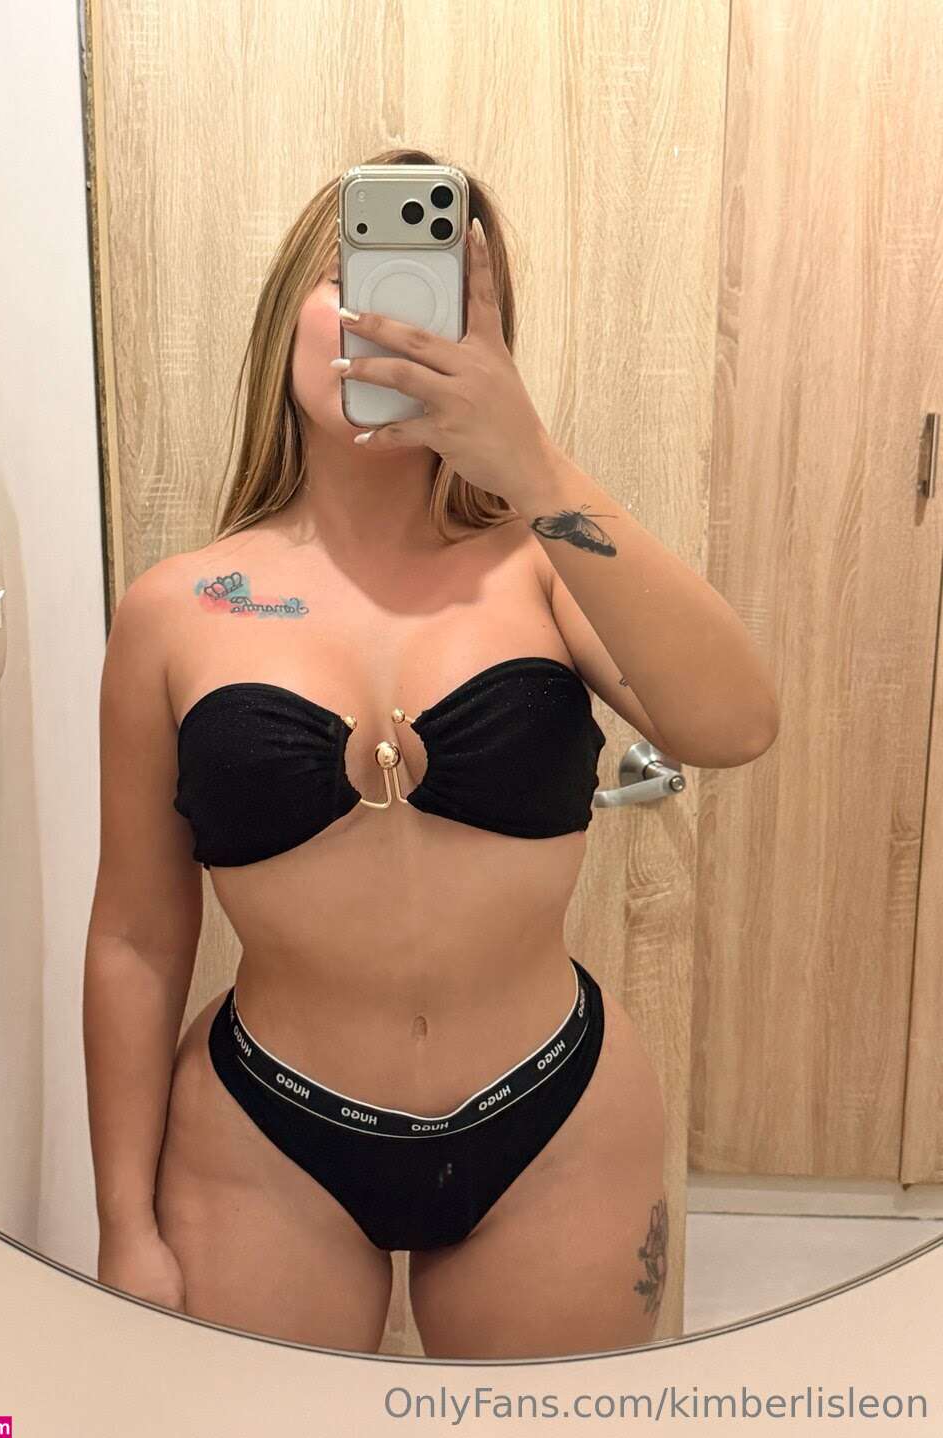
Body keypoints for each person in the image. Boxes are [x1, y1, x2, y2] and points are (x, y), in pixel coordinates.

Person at [84, 149, 778, 1360]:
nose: (399, 319)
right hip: (264, 1135)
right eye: (362, 273)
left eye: (449, 298)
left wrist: (538, 467)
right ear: (285, 313)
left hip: (554, 1120)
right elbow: (138, 938)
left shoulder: (548, 564)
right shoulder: (176, 611)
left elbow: (735, 725)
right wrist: (122, 1223)